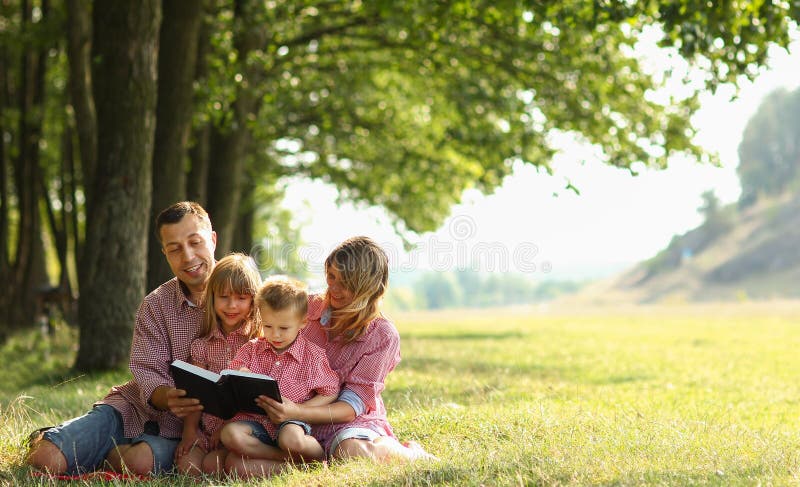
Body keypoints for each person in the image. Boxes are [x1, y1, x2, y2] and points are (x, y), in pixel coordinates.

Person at [26, 201, 216, 476]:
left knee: (138, 463)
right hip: (134, 410)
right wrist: (169, 397)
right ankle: (59, 438)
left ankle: (102, 453)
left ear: (212, 239)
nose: (187, 256)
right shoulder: (156, 304)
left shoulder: (246, 296)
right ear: (165, 254)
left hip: (188, 433)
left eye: (195, 242)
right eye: (175, 249)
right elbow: (147, 374)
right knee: (44, 458)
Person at [258, 236, 434, 462]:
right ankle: (314, 460)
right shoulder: (306, 308)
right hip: (292, 422)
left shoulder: (381, 335)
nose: (334, 288)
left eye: (346, 283)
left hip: (345, 423)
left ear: (369, 288)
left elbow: (350, 406)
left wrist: (297, 411)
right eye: (331, 276)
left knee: (351, 452)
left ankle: (412, 455)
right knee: (241, 467)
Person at [220, 276, 340, 478]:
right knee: (230, 439)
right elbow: (229, 378)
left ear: (302, 322)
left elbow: (330, 391)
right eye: (268, 326)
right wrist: (240, 375)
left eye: (283, 328)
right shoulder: (251, 350)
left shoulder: (313, 356)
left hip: (291, 423)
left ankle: (319, 458)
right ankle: (295, 464)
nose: (275, 335)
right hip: (255, 424)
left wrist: (297, 410)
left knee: (291, 440)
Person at [174, 253, 262, 476]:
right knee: (188, 467)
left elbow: (252, 399)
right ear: (212, 297)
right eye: (224, 297)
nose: (232, 305)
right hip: (207, 427)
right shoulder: (202, 345)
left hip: (241, 428)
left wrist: (224, 429)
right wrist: (190, 431)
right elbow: (195, 393)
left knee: (213, 465)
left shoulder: (257, 343)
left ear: (253, 300)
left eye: (241, 298)